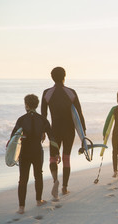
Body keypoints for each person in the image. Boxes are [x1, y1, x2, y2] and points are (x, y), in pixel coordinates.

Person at [9, 94, 60, 214]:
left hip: (25, 152)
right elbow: (52, 138)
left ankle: (21, 208)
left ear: (26, 105)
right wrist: (56, 152)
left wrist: (11, 154)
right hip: (37, 151)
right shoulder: (43, 119)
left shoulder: (21, 119)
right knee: (38, 175)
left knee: (23, 178)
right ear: (37, 105)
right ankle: (38, 200)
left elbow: (13, 138)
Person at [41, 67, 86, 198]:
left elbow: (43, 116)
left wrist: (43, 132)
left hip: (54, 130)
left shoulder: (47, 93)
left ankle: (55, 181)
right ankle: (64, 188)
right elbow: (79, 114)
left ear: (52, 77)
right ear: (64, 76)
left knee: (53, 157)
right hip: (69, 130)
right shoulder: (71, 92)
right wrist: (83, 133)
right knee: (66, 158)